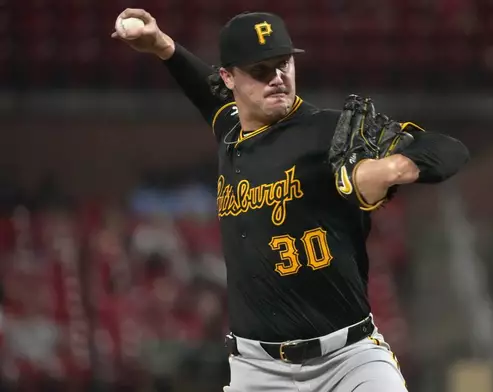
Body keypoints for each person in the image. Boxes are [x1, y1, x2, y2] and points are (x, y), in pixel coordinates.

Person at [112, 9, 470, 392]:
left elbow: (450, 149)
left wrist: (393, 169)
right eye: (260, 70)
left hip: (348, 360)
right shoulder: (230, 125)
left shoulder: (328, 132)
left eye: (283, 64)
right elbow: (204, 87)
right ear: (229, 78)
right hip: (257, 371)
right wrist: (163, 46)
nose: (277, 78)